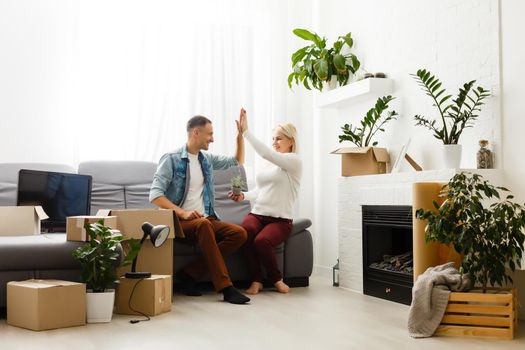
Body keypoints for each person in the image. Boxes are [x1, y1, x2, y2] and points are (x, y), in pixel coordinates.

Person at [149, 115, 250, 305]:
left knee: (239, 234)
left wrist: (240, 135)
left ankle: (190, 273)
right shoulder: (171, 159)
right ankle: (226, 288)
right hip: (177, 222)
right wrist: (183, 212)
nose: (212, 139)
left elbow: (237, 161)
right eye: (209, 134)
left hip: (204, 220)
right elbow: (155, 195)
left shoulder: (207, 159)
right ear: (196, 132)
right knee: (203, 224)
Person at [229, 109, 302, 294]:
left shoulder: (294, 161)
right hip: (258, 214)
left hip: (280, 219)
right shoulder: (268, 163)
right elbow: (260, 191)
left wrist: (246, 132)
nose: (274, 143)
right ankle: (256, 280)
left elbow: (266, 153)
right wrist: (243, 196)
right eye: (273, 139)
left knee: (262, 241)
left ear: (291, 141)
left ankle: (276, 279)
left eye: (279, 138)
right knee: (245, 233)